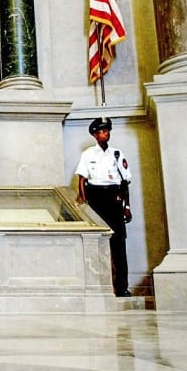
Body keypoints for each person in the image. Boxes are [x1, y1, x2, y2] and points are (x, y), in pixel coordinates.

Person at [74, 117, 133, 297]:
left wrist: (126, 207)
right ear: (94, 135)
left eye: (107, 131)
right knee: (97, 241)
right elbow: (82, 180)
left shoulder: (117, 154)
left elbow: (125, 183)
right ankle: (98, 287)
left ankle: (121, 287)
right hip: (96, 199)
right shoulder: (88, 154)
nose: (105, 134)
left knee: (118, 243)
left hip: (114, 199)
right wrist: (85, 202)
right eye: (101, 131)